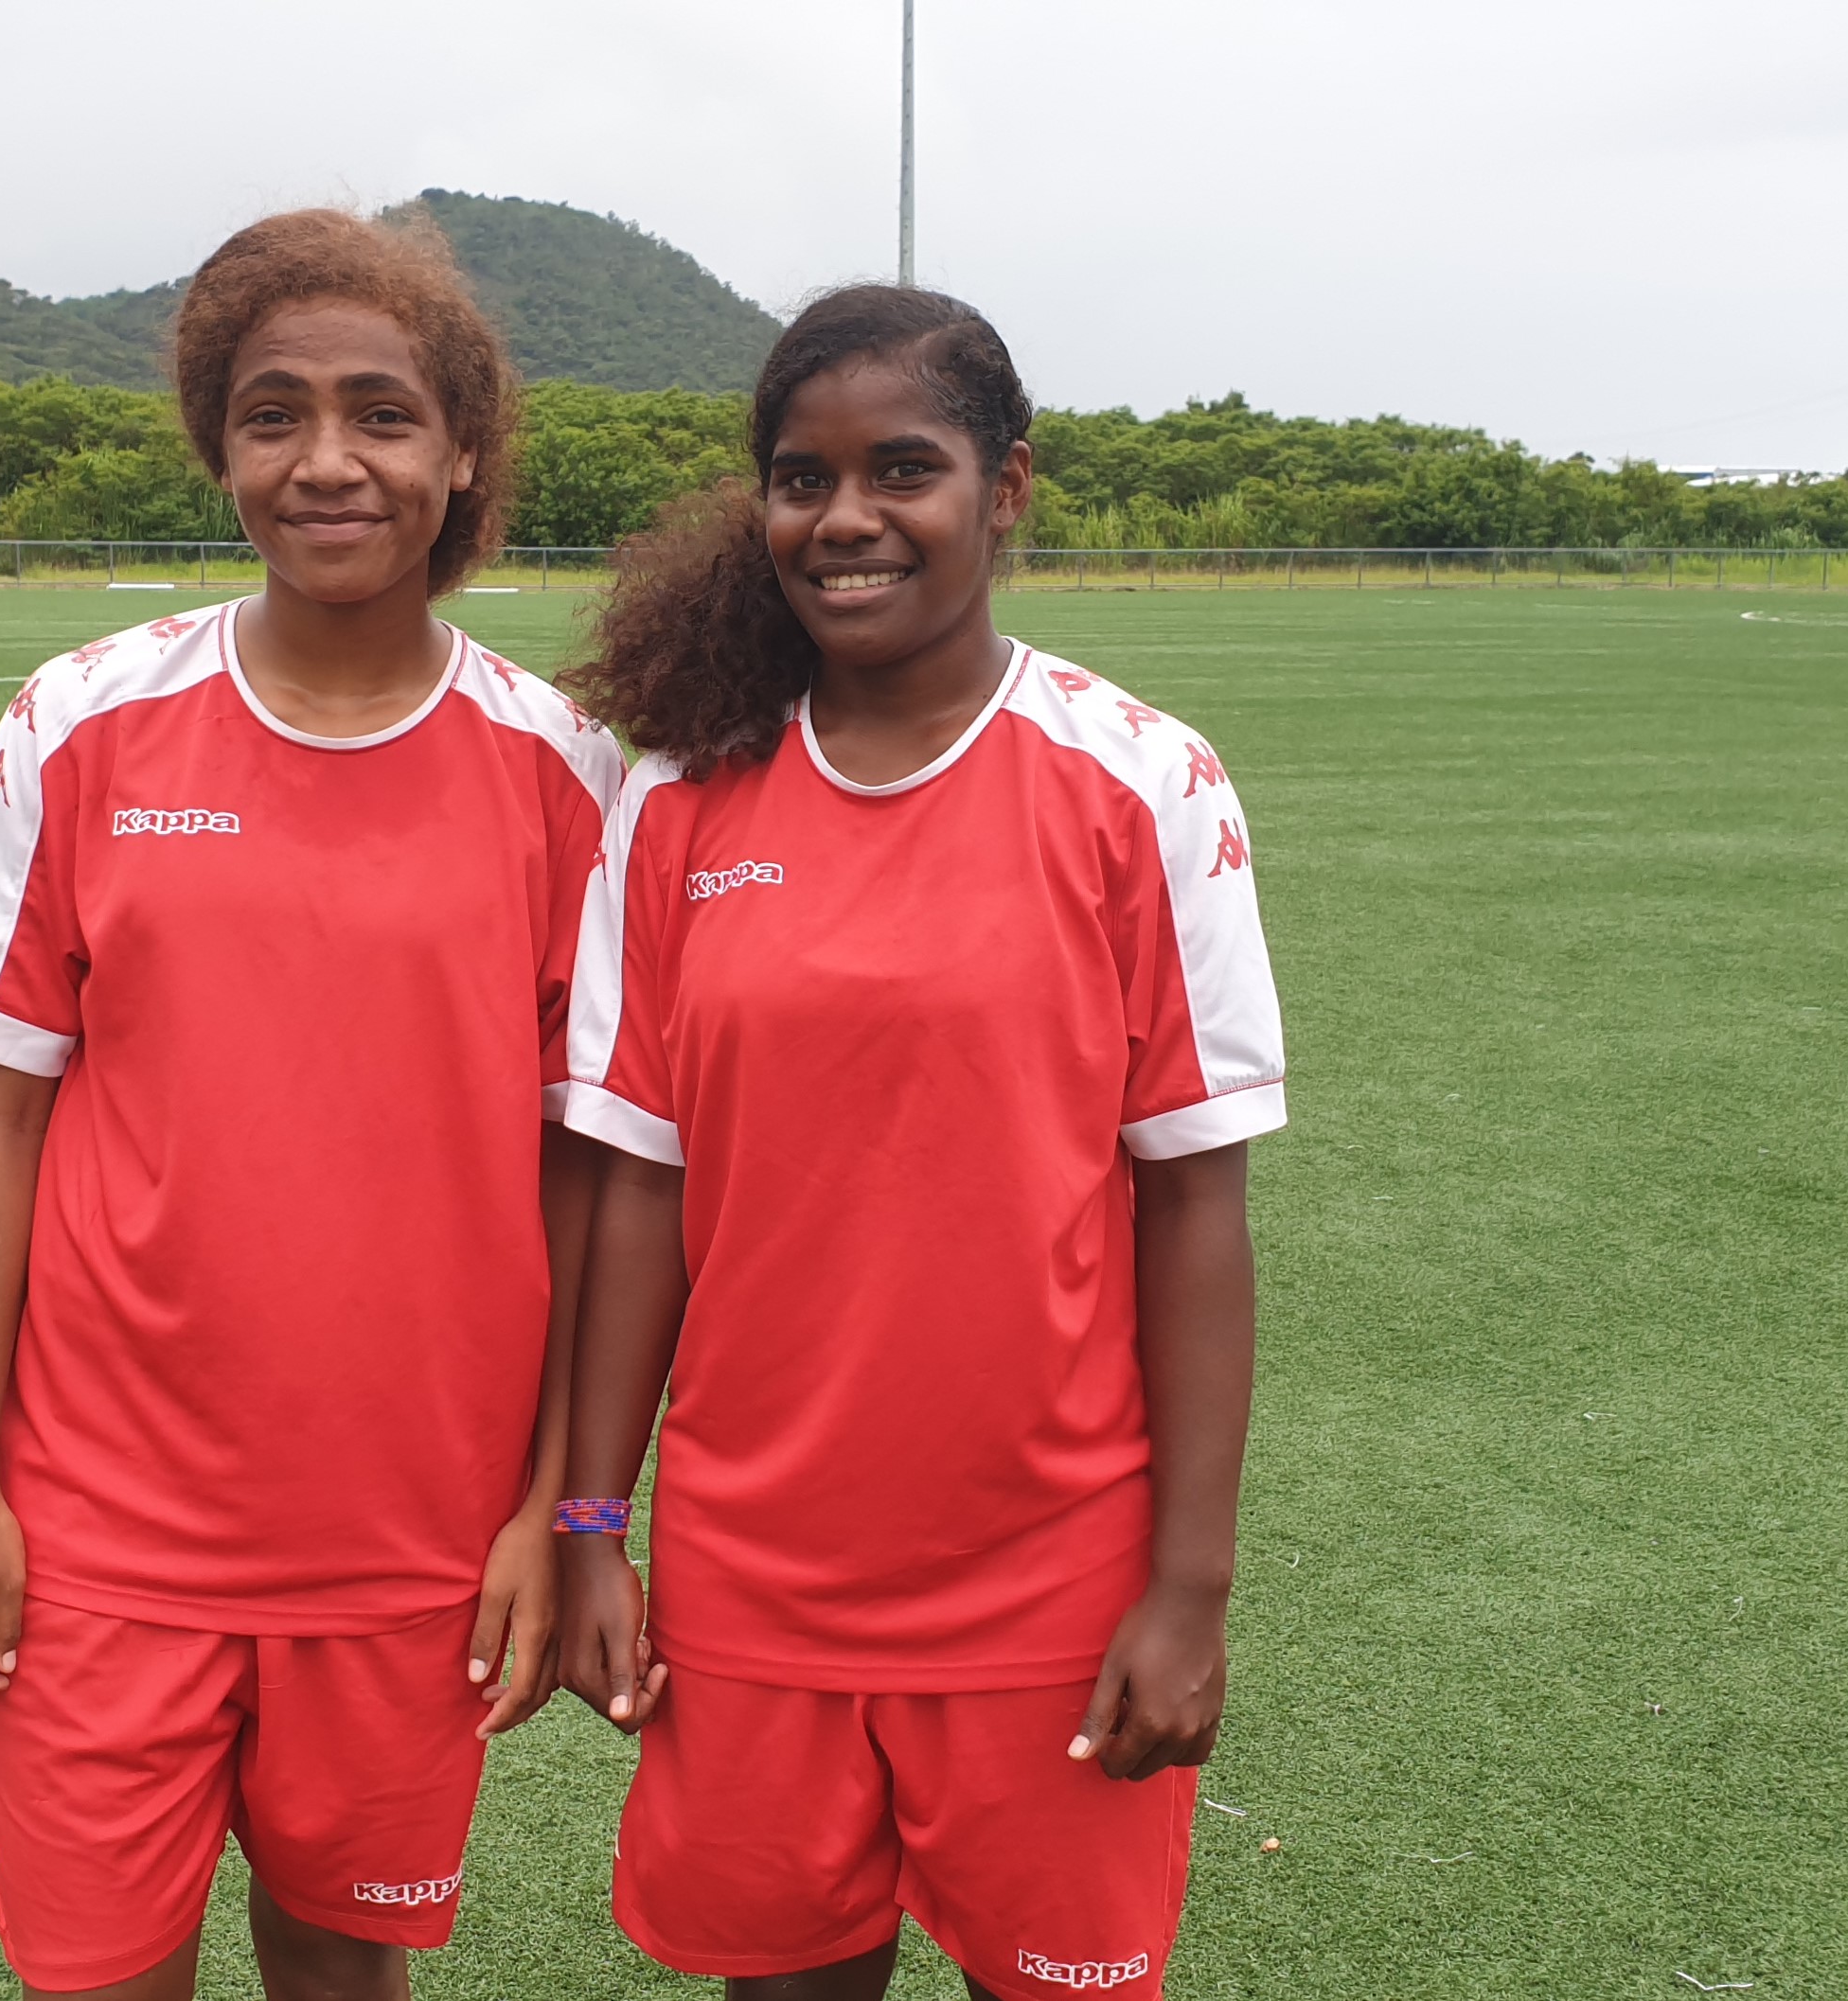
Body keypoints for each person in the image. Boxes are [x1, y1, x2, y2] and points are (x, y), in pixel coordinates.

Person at [0, 208, 621, 2001]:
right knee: (98, 1976)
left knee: (340, 1967)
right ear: (217, 445)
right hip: (100, 1534)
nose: (328, 461)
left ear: (461, 453)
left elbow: (587, 1181)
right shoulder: (80, 723)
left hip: (412, 1542)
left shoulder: (564, 771)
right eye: (272, 411)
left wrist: (556, 1508)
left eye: (382, 415)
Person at [550, 287, 1287, 2001]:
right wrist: (594, 1515)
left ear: (1006, 487)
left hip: (1046, 1583)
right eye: (800, 479)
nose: (848, 518)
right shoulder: (676, 803)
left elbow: (1193, 1207)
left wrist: (1188, 1588)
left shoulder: (1141, 783)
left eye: (906, 469)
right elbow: (637, 1200)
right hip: (752, 1587)